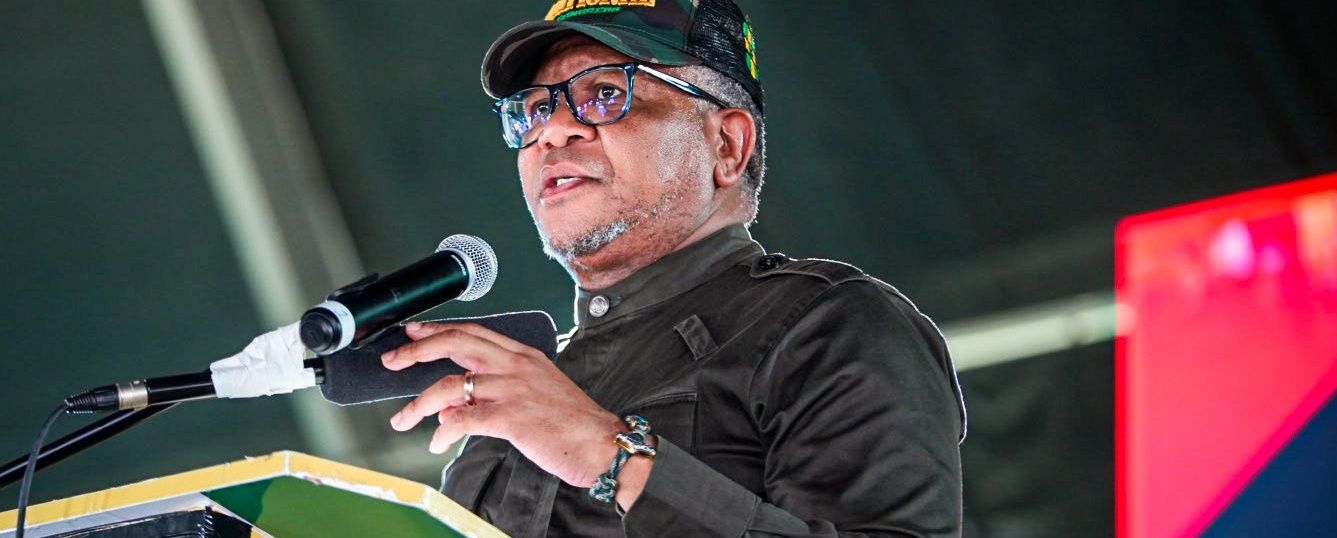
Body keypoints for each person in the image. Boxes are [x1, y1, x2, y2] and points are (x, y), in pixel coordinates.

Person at [380, 1, 966, 536]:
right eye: (535, 110)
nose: (553, 131)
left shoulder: (828, 324)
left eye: (605, 93)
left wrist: (612, 457)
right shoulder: (523, 391)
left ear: (727, 145)